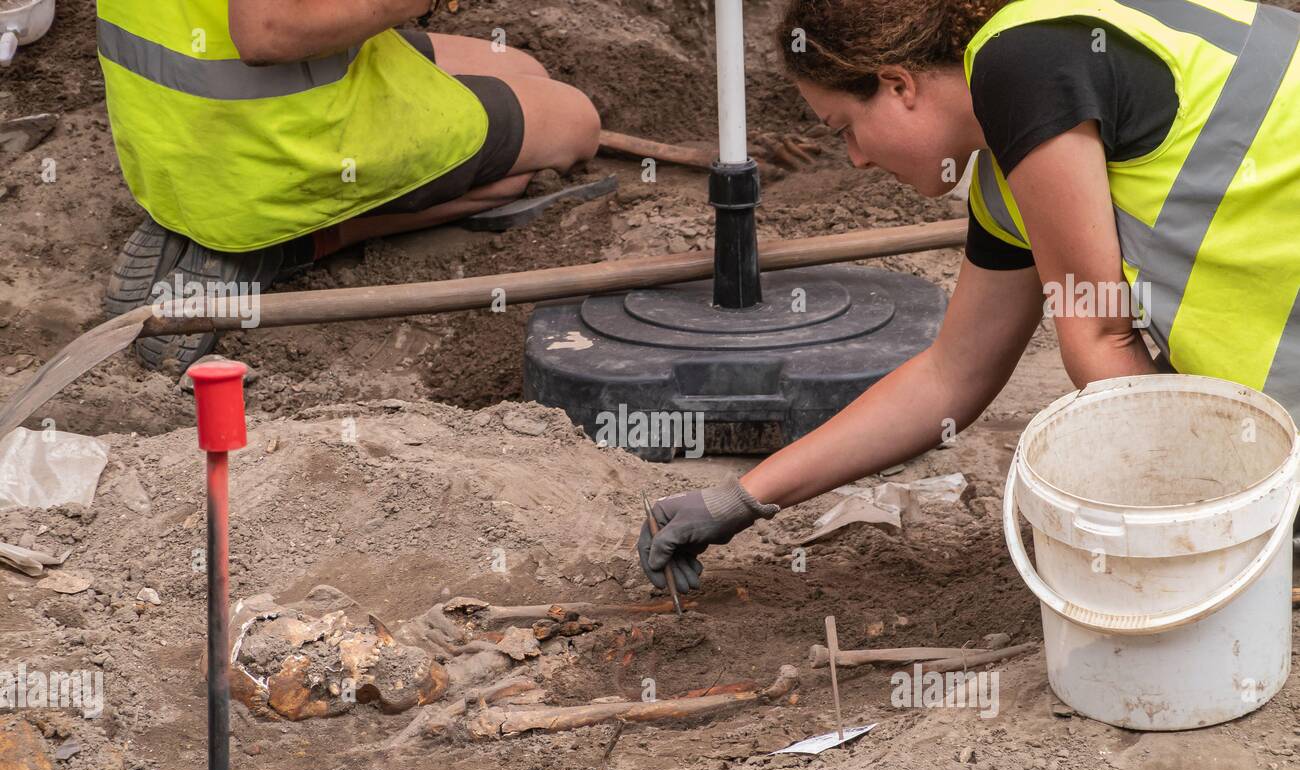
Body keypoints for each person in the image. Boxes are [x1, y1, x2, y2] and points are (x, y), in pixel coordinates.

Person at [638, 0, 1300, 593]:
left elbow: (1101, 340)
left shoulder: (1023, 64)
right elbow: (950, 376)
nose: (858, 159)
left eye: (843, 128)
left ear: (898, 85)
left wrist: (1217, 536)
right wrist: (741, 497)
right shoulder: (1020, 149)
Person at [96, 0, 601, 369]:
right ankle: (285, 244)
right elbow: (267, 31)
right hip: (269, 140)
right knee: (574, 123)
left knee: (522, 70)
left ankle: (200, 219)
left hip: (172, 129)